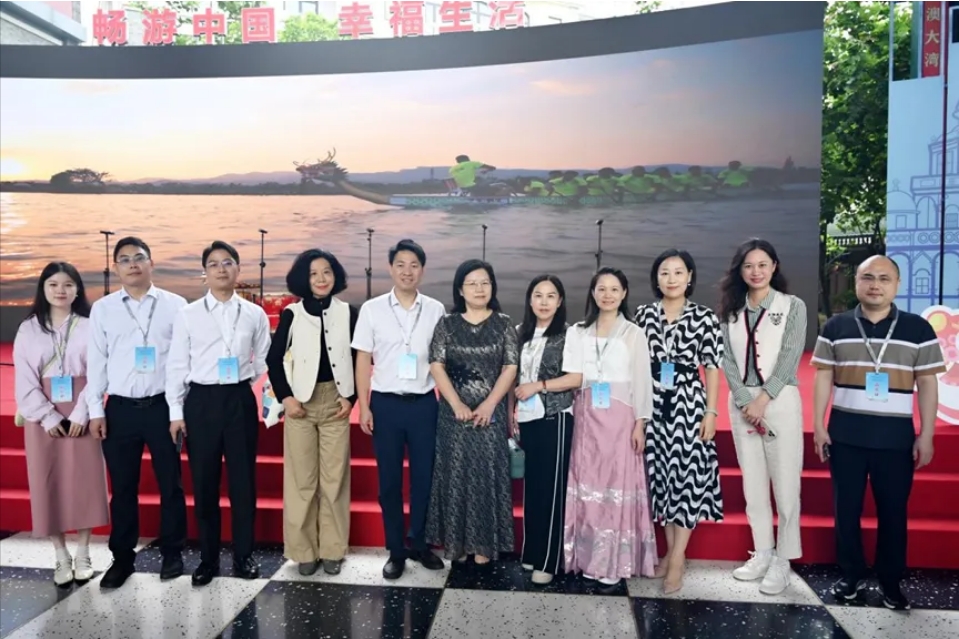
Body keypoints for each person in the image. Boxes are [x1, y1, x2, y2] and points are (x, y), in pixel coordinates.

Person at [811, 255, 945, 611]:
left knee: (893, 513)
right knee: (846, 510)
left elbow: (927, 383)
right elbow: (823, 376)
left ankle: (890, 582)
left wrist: (926, 434)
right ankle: (851, 575)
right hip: (845, 435)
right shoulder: (836, 326)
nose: (875, 285)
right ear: (856, 282)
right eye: (867, 277)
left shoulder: (918, 329)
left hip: (895, 439)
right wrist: (819, 425)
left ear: (896, 284)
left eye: (884, 279)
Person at [167, 241, 271, 586]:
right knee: (204, 483)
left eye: (228, 262)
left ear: (238, 269)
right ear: (205, 273)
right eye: (213, 264)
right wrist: (176, 411)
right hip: (201, 401)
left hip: (239, 399)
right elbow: (177, 364)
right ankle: (208, 559)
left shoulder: (254, 313)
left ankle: (243, 555)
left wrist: (245, 385)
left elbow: (263, 361)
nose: (221, 269)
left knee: (243, 483)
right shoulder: (188, 314)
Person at [87, 236, 188, 589]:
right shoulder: (103, 309)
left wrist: (178, 409)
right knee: (123, 487)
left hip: (162, 407)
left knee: (170, 484)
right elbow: (96, 361)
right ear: (116, 268)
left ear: (151, 263)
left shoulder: (176, 306)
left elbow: (182, 361)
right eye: (125, 259)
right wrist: (95, 409)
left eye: (139, 257)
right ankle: (122, 558)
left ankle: (173, 553)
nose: (132, 263)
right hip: (120, 410)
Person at [352, 239, 447, 580]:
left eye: (414, 265)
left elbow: (442, 360)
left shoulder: (435, 309)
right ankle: (395, 550)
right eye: (401, 264)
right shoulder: (372, 309)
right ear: (391, 268)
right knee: (389, 482)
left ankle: (419, 542)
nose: (408, 271)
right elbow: (363, 360)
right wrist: (364, 406)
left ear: (422, 270)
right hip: (386, 405)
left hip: (423, 405)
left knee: (425, 478)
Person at [719, 238, 807, 596]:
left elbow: (790, 356)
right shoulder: (731, 310)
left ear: (774, 266)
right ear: (739, 271)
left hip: (779, 400)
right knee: (753, 485)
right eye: (748, 266)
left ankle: (784, 560)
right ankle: (763, 552)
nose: (755, 271)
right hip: (742, 405)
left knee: (785, 485)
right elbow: (726, 358)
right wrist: (744, 400)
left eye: (762, 264)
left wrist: (763, 399)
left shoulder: (792, 306)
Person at [13, 262, 109, 586]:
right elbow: (24, 378)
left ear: (77, 289)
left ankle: (83, 552)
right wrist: (48, 415)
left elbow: (99, 372)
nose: (60, 290)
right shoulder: (29, 329)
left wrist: (82, 413)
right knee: (47, 482)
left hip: (82, 407)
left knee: (85, 481)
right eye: (53, 284)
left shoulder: (90, 325)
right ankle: (60, 555)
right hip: (42, 412)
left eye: (68, 284)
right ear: (43, 289)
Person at [635, 249, 724, 594]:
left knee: (685, 479)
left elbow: (712, 368)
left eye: (678, 272)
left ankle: (676, 559)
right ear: (656, 279)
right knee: (661, 479)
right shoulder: (643, 315)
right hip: (653, 402)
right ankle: (673, 552)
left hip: (688, 404)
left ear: (689, 277)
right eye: (664, 272)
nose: (671, 279)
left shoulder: (704, 317)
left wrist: (711, 412)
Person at [266, 248, 358, 577]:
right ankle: (304, 550)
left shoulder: (348, 313)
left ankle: (333, 550)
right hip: (300, 406)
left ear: (336, 276)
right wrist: (287, 399)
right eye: (313, 274)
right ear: (303, 279)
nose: (321, 279)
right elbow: (273, 360)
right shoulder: (292, 314)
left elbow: (359, 358)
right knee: (301, 481)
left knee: (334, 481)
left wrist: (351, 397)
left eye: (327, 272)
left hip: (336, 403)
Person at [562, 267, 657, 586]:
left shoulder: (633, 333)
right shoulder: (578, 331)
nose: (607, 295)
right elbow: (573, 375)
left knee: (614, 488)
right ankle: (586, 557)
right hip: (587, 417)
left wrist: (640, 423)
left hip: (620, 418)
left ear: (624, 293)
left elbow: (642, 381)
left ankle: (613, 561)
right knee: (587, 485)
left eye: (614, 289)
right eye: (601, 288)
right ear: (593, 293)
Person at [427, 259, 519, 564]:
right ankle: (458, 542)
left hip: (490, 416)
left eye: (485, 283)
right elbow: (436, 365)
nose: (479, 289)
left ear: (492, 287)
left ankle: (484, 545)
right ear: (460, 290)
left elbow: (510, 367)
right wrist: (456, 404)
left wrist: (490, 404)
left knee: (486, 476)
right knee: (455, 475)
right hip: (453, 416)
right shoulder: (447, 324)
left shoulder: (504, 323)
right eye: (472, 283)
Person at [509, 275, 580, 585]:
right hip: (526, 418)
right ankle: (532, 552)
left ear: (560, 301)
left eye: (551, 296)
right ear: (530, 299)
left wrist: (539, 385)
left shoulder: (569, 334)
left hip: (555, 416)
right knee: (533, 488)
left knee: (552, 490)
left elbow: (576, 377)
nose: (544, 301)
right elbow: (513, 377)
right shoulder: (519, 333)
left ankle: (549, 560)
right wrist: (511, 411)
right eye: (538, 295)